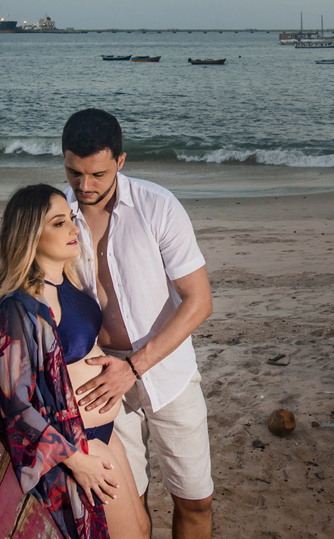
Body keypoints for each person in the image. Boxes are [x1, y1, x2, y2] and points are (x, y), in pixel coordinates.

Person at [61, 108, 215, 539]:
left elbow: (199, 301)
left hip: (166, 370)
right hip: (97, 377)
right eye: (74, 173)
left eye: (97, 174)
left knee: (196, 499)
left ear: (121, 162)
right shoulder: (57, 217)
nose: (84, 186)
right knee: (128, 503)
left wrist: (134, 366)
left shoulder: (158, 206)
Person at [0, 184, 149, 539]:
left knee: (141, 526)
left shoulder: (68, 280)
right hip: (74, 446)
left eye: (71, 219)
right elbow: (15, 405)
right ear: (30, 235)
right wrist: (75, 460)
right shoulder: (19, 307)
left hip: (104, 433)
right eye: (59, 223)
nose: (75, 229)